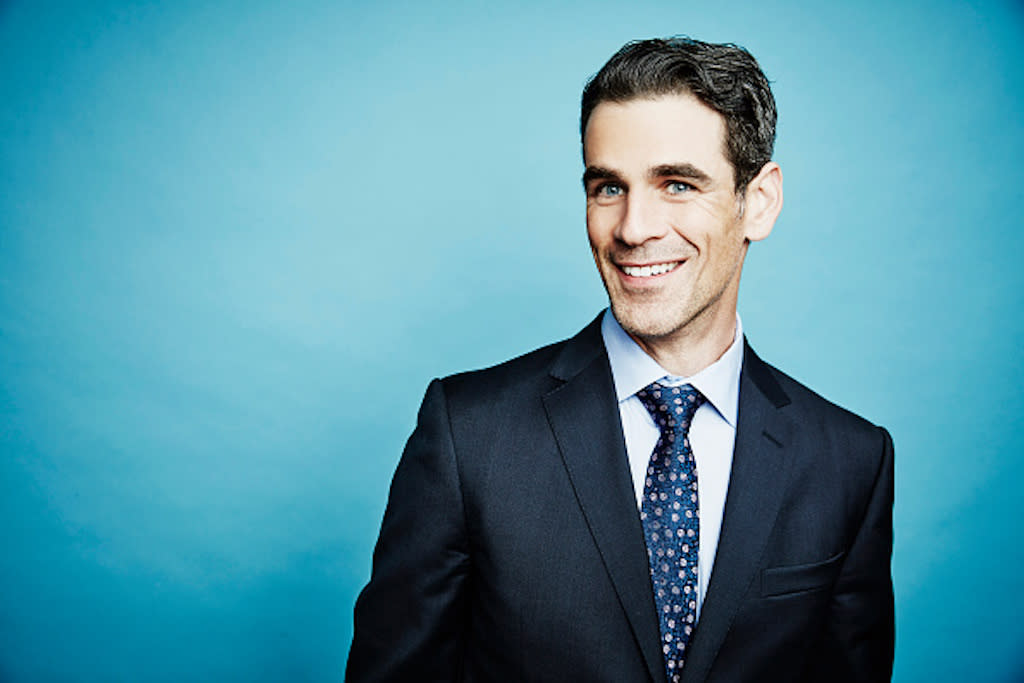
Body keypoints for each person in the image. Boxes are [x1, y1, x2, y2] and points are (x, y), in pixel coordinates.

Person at [346, 37, 894, 683]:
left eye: (678, 184)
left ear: (761, 201)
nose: (633, 227)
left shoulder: (850, 461)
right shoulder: (469, 436)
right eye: (608, 186)